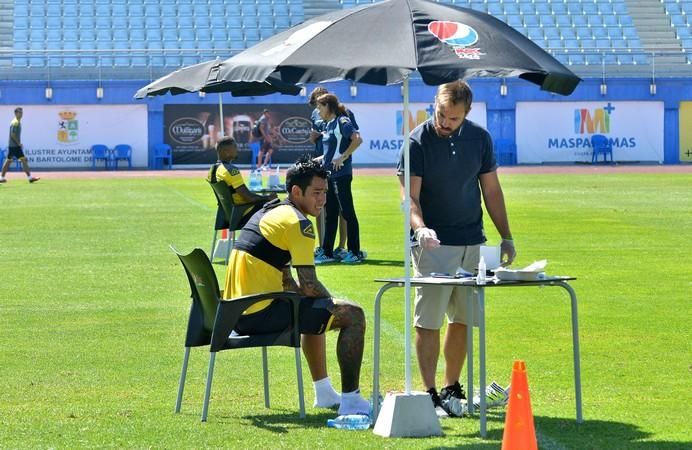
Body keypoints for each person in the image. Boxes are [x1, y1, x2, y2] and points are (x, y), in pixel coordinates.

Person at [397, 80, 516, 416]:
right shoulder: (417, 141)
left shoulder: (480, 139)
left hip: (472, 241)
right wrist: (420, 230)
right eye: (440, 113)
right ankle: (430, 392)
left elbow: (491, 191)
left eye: (452, 118)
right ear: (434, 103)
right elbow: (410, 199)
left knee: (463, 319)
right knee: (428, 321)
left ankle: (452, 386)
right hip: (432, 245)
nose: (443, 121)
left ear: (466, 113)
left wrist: (506, 235)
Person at [224, 155, 369, 416]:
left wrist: (320, 301)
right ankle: (352, 400)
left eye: (325, 192)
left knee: (315, 309)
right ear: (296, 191)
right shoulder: (298, 223)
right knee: (354, 315)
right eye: (316, 193)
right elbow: (310, 285)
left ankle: (324, 393)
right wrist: (332, 303)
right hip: (258, 314)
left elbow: (287, 279)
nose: (322, 200)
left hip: (236, 313)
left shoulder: (272, 211)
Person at [312, 93, 366, 265]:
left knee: (348, 213)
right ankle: (327, 252)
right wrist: (318, 160)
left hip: (341, 175)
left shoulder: (342, 121)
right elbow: (329, 153)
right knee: (331, 214)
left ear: (328, 106)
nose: (318, 111)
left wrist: (343, 157)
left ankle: (355, 252)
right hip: (330, 175)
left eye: (320, 107)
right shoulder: (329, 124)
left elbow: (357, 139)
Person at [206, 137, 277, 230]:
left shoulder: (212, 170)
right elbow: (249, 198)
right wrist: (268, 198)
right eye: (234, 147)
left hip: (226, 215)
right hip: (241, 214)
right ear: (226, 151)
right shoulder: (231, 170)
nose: (237, 149)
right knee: (277, 205)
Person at [0, 107, 40, 184]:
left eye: (22, 112)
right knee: (23, 160)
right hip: (15, 146)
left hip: (12, 146)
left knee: (9, 161)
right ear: (16, 113)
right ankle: (30, 178)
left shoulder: (16, 122)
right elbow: (12, 134)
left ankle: (1, 178)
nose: (21, 114)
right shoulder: (15, 122)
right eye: (20, 112)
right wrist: (18, 143)